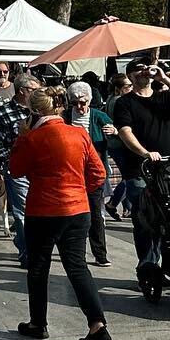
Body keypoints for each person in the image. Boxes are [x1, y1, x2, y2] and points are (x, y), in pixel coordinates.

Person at [9, 90, 110, 340]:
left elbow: (16, 169)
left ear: (34, 113)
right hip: (77, 209)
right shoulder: (80, 133)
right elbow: (99, 173)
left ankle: (38, 323)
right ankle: (96, 323)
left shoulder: (33, 138)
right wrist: (80, 191)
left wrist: (21, 137)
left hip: (43, 210)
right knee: (77, 266)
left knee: (39, 267)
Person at [113, 62, 170, 264]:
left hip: (169, 169)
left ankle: (169, 264)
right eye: (139, 69)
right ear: (130, 76)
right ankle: (148, 267)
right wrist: (145, 153)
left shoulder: (164, 97)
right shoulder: (124, 102)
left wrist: (164, 78)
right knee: (145, 220)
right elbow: (125, 132)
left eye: (146, 67)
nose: (144, 71)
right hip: (140, 169)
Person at [0, 73, 40, 266]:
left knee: (36, 211)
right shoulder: (3, 112)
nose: (38, 93)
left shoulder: (39, 111)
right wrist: (14, 158)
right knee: (22, 212)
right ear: (22, 91)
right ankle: (27, 253)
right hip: (17, 170)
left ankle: (23, 240)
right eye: (34, 90)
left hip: (39, 169)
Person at [65, 81, 115, 266]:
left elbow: (118, 135)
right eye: (75, 103)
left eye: (83, 102)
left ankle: (100, 254)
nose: (80, 107)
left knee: (95, 213)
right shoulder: (64, 117)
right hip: (71, 172)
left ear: (90, 101)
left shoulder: (98, 116)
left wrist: (114, 131)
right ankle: (72, 250)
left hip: (94, 173)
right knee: (71, 213)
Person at [102, 75, 134, 218]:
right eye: (128, 86)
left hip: (113, 143)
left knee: (127, 175)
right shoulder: (118, 101)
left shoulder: (110, 99)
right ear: (118, 88)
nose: (131, 88)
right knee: (130, 176)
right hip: (120, 142)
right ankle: (113, 203)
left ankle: (128, 207)